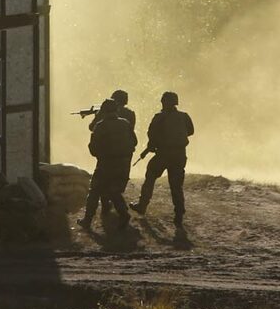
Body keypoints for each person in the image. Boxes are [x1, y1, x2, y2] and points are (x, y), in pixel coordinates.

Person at [130, 91, 195, 228]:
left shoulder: (159, 117)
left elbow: (152, 135)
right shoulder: (184, 116)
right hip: (179, 154)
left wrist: (152, 147)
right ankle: (179, 213)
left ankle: (142, 205)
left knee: (150, 176)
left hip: (164, 154)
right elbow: (190, 131)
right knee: (176, 185)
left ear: (164, 102)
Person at [79, 100, 137, 230]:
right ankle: (124, 214)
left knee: (95, 191)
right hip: (122, 164)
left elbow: (93, 148)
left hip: (106, 163)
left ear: (103, 112)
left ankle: (87, 220)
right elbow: (134, 141)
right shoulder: (125, 123)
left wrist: (100, 154)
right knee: (114, 191)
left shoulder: (101, 126)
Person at [90, 90, 137, 214]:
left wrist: (98, 115)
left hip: (107, 157)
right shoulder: (130, 115)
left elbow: (92, 128)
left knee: (97, 185)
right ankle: (120, 210)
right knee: (116, 184)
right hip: (124, 155)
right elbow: (133, 138)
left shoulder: (102, 121)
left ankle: (104, 207)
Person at [0, 171, 48, 241]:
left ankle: (21, 236)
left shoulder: (6, 191)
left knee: (0, 215)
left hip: (31, 220)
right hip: (37, 218)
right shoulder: (12, 188)